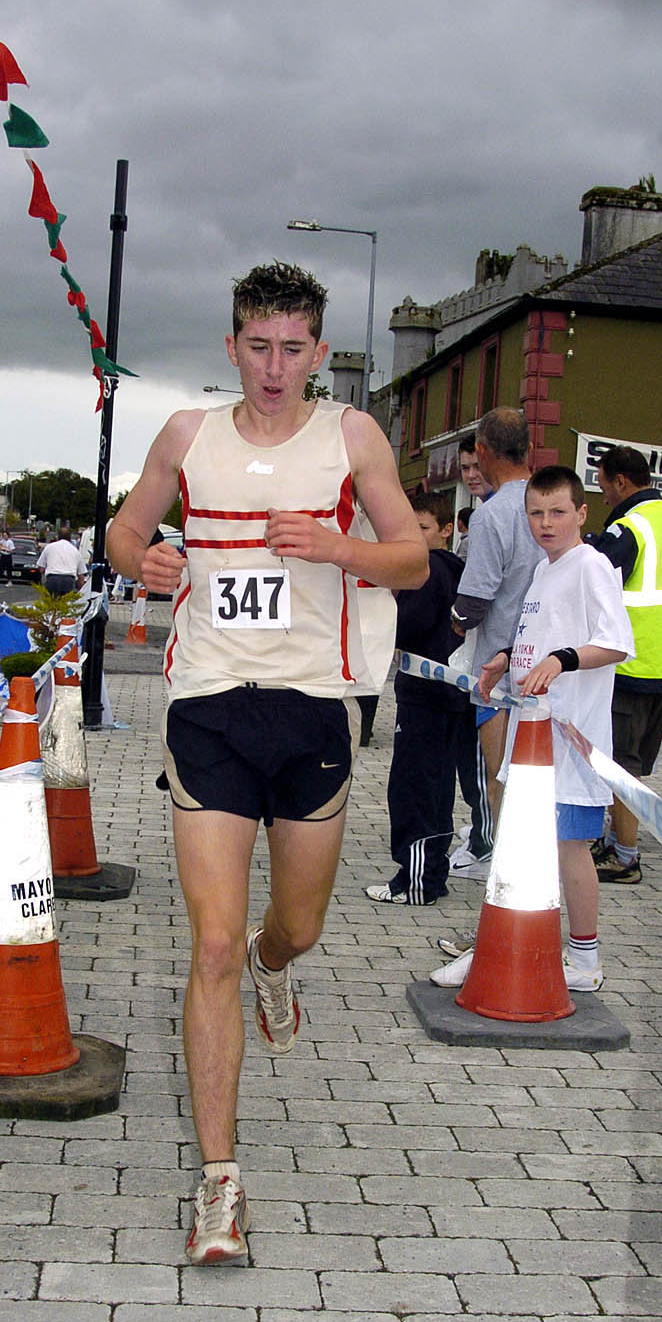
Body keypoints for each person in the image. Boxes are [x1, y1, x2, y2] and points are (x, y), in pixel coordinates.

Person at [106, 261, 427, 1266]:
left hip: (313, 714)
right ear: (232, 344)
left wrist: (339, 550)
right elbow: (123, 532)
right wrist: (145, 560)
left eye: (294, 349)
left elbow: (411, 558)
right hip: (207, 708)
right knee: (207, 944)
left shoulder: (354, 437)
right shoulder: (186, 436)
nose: (275, 367)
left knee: (294, 925)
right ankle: (220, 1188)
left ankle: (275, 967)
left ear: (318, 353)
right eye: (258, 346)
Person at [434, 466, 634, 990]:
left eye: (558, 512)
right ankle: (503, 944)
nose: (546, 523)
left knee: (570, 850)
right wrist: (504, 658)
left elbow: (615, 643)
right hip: (531, 733)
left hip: (571, 739)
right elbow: (542, 633)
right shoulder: (546, 569)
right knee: (523, 848)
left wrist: (563, 660)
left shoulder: (591, 565)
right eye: (537, 514)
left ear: (581, 513)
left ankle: (585, 961)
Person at [585, 446, 662, 884]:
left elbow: (595, 577)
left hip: (629, 662)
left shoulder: (630, 527)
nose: (604, 493)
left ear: (622, 481)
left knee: (619, 765)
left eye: (604, 483)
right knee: (637, 763)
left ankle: (624, 855)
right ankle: (617, 839)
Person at [450, 408, 543, 864]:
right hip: (547, 665)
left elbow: (474, 601)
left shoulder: (492, 514)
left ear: (483, 452)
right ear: (529, 449)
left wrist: (452, 621)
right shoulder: (552, 506)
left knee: (498, 775)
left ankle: (506, 868)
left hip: (498, 672)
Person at [365, 490, 465, 905]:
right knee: (434, 786)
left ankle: (416, 879)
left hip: (428, 694)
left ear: (444, 530)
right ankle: (425, 874)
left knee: (414, 787)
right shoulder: (453, 569)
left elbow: (406, 625)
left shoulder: (429, 572)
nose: (414, 535)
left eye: (422, 528)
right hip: (445, 693)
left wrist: (381, 610)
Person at [37, 526, 87, 597]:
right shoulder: (75, 551)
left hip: (52, 578)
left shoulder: (49, 547)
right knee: (66, 604)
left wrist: (47, 572)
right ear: (70, 538)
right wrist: (80, 592)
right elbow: (81, 576)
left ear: (58, 537)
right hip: (68, 580)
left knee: (52, 603)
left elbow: (41, 568)